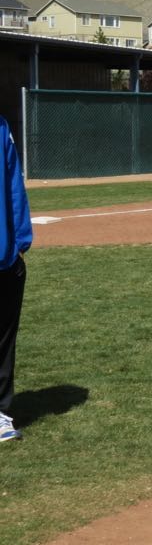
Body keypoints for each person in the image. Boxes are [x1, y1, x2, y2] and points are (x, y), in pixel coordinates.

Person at [0, 114, 32, 443]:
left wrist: (20, 240)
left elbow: (13, 185)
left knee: (3, 340)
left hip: (5, 257)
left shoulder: (1, 128)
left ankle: (0, 412)